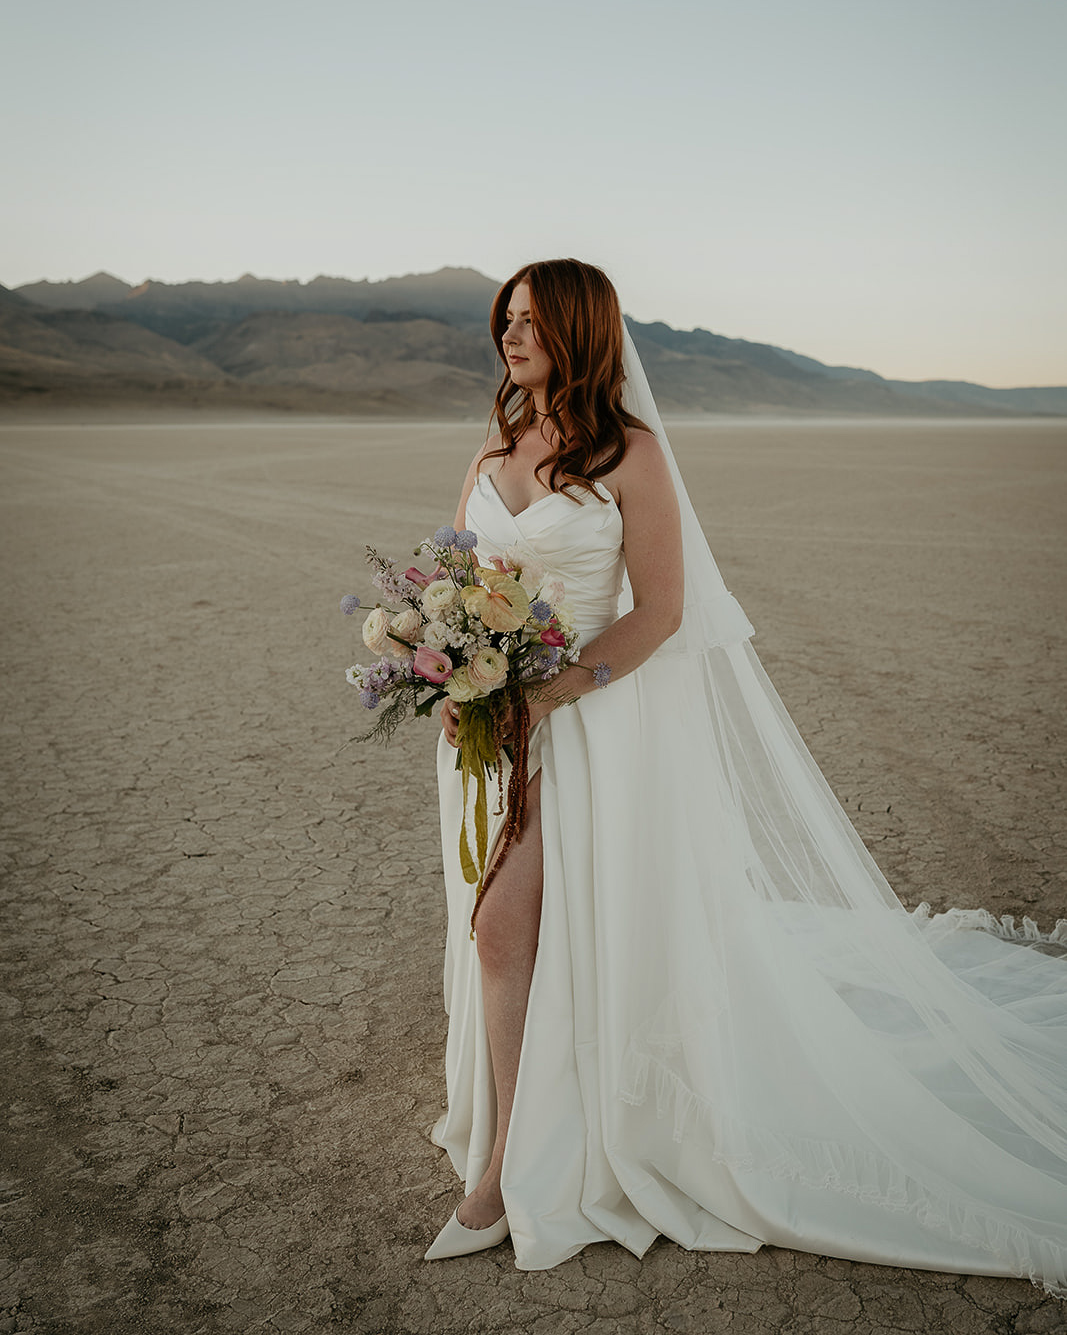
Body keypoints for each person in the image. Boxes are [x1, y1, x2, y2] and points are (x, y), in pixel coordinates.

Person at [424, 258, 1067, 1293]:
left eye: (533, 321)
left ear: (580, 331)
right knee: (498, 928)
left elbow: (664, 610)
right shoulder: (491, 450)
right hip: (492, 727)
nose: (510, 334)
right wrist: (452, 659)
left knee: (543, 928)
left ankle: (507, 1172)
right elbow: (460, 577)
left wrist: (559, 688)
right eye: (505, 317)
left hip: (590, 723)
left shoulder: (628, 454)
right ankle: (504, 1128)